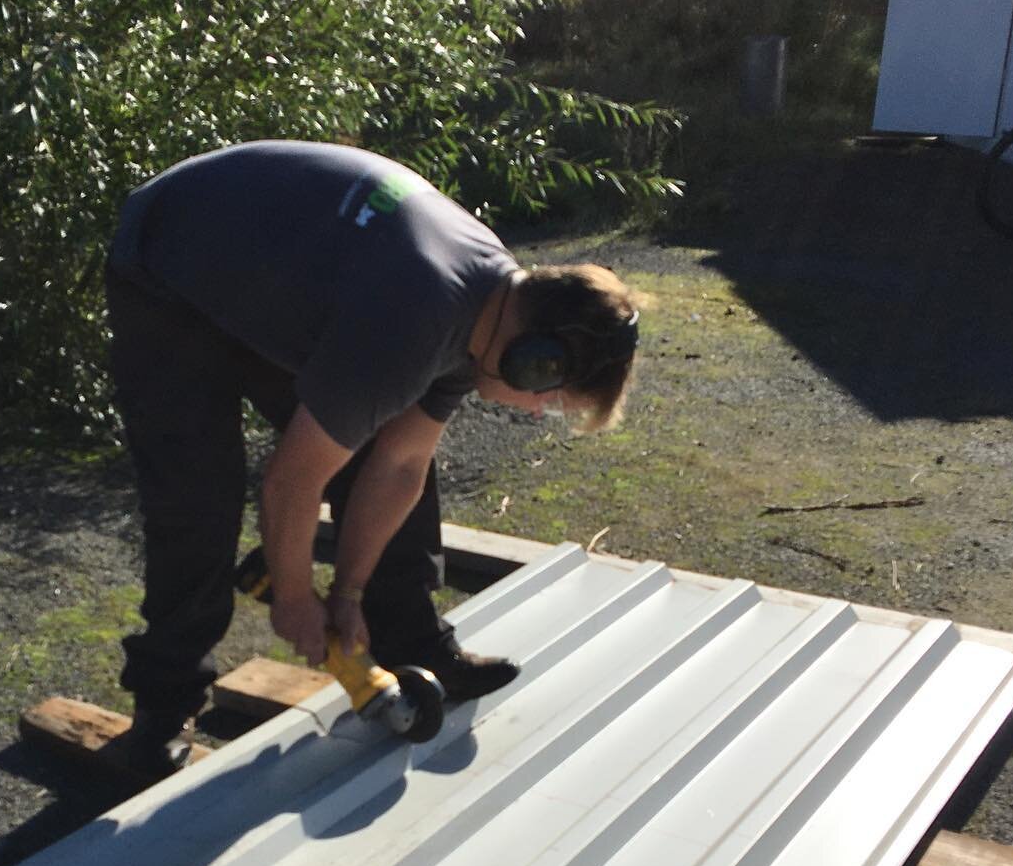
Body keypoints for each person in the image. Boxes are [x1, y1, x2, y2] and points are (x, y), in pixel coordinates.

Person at [106, 140, 640, 781]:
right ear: (534, 357)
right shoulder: (417, 319)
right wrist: (297, 598)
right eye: (551, 397)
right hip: (171, 267)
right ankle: (166, 705)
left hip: (273, 272)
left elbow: (401, 464)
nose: (538, 411)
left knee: (380, 449)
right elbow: (291, 480)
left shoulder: (487, 314)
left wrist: (350, 590)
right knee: (197, 500)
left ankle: (410, 642)